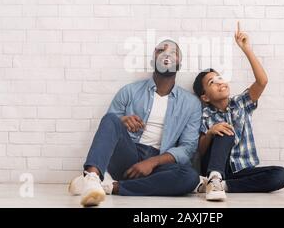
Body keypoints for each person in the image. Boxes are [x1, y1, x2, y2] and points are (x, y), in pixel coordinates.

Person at [69, 39, 201, 207]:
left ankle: (111, 187)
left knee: (190, 177)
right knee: (111, 119)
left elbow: (188, 147)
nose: (166, 54)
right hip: (127, 155)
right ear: (153, 60)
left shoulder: (191, 103)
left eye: (173, 53)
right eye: (161, 51)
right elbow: (107, 129)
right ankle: (92, 178)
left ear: (179, 64)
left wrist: (151, 162)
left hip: (159, 164)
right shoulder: (129, 91)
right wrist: (122, 121)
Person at [192, 21, 284, 201]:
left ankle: (220, 185)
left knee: (281, 175)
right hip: (214, 165)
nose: (220, 82)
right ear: (205, 97)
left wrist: (247, 49)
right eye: (212, 82)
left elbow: (262, 82)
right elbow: (200, 150)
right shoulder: (203, 114)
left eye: (220, 78)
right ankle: (214, 178)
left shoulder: (240, 103)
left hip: (241, 170)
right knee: (225, 131)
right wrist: (211, 132)